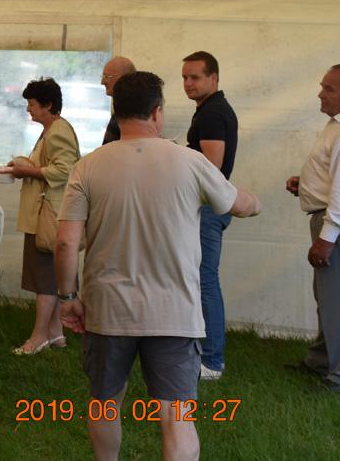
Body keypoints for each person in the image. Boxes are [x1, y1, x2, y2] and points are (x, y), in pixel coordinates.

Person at [55, 71, 260, 461]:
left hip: (107, 310)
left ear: (117, 113)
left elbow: (65, 241)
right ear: (156, 112)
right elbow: (238, 203)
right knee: (177, 416)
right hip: (174, 312)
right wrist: (255, 202)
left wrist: (67, 298)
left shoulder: (88, 166)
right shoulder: (190, 161)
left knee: (104, 403)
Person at [8, 77, 80, 355]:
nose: (28, 109)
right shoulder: (52, 129)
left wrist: (27, 171)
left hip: (50, 216)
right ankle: (56, 333)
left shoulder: (58, 130)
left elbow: (65, 170)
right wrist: (25, 165)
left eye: (32, 104)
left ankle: (38, 337)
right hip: (46, 214)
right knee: (49, 276)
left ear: (48, 105)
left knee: (46, 281)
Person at [181, 51, 238, 380]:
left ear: (213, 78)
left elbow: (210, 168)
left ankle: (213, 361)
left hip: (208, 209)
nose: (188, 83)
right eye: (184, 77)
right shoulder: (208, 109)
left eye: (195, 77)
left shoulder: (214, 113)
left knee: (205, 280)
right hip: (206, 207)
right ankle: (202, 352)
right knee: (200, 279)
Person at [286, 64, 340, 392]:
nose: (320, 94)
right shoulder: (334, 126)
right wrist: (305, 183)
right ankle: (320, 361)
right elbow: (331, 177)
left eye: (329, 89)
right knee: (326, 298)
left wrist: (326, 239)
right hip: (326, 219)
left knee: (335, 302)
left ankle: (337, 376)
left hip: (333, 226)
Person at [99, 56, 135, 144]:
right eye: (103, 76)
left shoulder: (130, 114)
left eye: (107, 77)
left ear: (124, 78)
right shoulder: (121, 109)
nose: (102, 82)